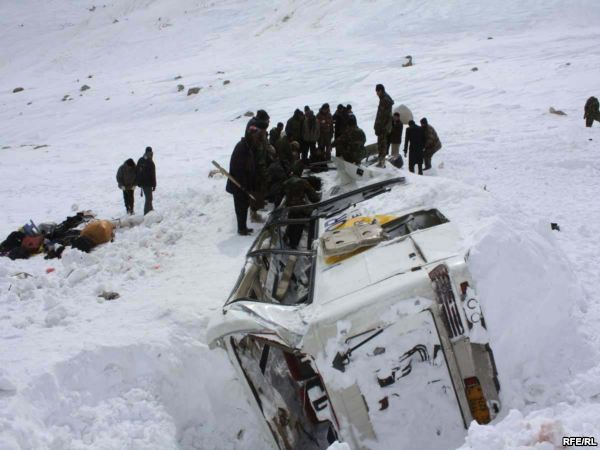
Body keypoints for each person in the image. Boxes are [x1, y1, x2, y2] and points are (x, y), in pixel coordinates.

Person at [226, 127, 259, 235]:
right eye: (255, 136)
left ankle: (243, 227)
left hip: (244, 184)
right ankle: (241, 229)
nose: (256, 138)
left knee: (244, 206)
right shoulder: (241, 148)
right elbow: (238, 169)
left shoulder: (247, 146)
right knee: (240, 207)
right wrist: (244, 185)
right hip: (238, 185)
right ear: (250, 136)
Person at [283, 162, 321, 249]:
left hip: (290, 209)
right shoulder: (303, 182)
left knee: (292, 221)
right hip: (300, 209)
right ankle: (295, 246)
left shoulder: (286, 182)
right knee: (307, 219)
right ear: (300, 171)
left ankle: (287, 237)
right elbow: (314, 198)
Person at [374, 84, 395, 168]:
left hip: (383, 126)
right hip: (383, 126)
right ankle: (381, 161)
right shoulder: (384, 98)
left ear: (381, 90)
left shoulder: (384, 100)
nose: (376, 93)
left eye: (377, 91)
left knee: (382, 144)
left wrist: (378, 127)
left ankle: (381, 162)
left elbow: (383, 116)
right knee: (382, 143)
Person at [136, 147, 156, 214]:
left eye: (150, 152)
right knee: (149, 198)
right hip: (146, 183)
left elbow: (153, 174)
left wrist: (154, 184)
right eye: (149, 152)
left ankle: (150, 211)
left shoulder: (144, 160)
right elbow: (137, 172)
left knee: (149, 198)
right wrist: (154, 184)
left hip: (147, 183)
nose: (150, 154)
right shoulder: (147, 161)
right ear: (146, 152)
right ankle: (147, 213)